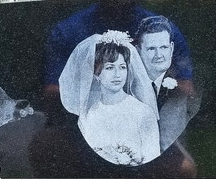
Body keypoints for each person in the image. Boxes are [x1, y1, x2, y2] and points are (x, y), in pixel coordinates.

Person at [59, 30, 160, 166]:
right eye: (110, 68)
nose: (118, 74)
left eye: (122, 67)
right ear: (96, 74)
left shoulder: (143, 112)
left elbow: (152, 162)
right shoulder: (90, 114)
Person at [134, 15, 199, 152]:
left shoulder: (183, 92)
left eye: (163, 47)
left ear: (171, 48)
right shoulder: (125, 87)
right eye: (151, 49)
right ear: (138, 51)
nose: (159, 55)